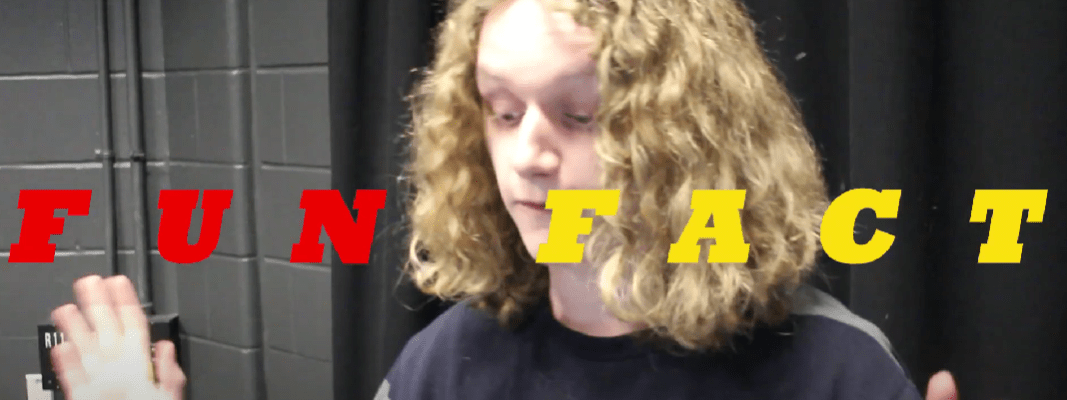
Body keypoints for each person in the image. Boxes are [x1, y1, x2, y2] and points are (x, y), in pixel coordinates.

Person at [48, 0, 960, 399]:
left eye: (579, 115)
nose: (527, 156)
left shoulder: (833, 371)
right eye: (501, 110)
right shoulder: (443, 367)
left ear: (690, 135)